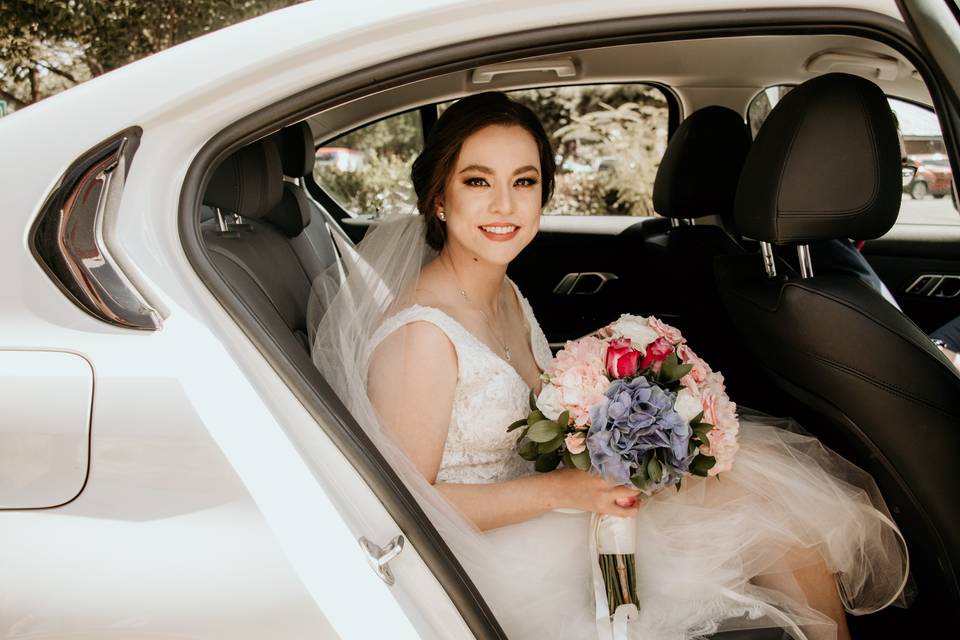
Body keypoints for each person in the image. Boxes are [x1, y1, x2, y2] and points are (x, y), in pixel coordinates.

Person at [310, 92, 908, 640]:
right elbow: (406, 508)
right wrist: (559, 490)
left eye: (524, 181)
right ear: (439, 199)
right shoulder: (422, 334)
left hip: (552, 506)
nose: (504, 205)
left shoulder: (505, 292)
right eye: (476, 181)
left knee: (772, 512)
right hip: (490, 560)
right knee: (763, 530)